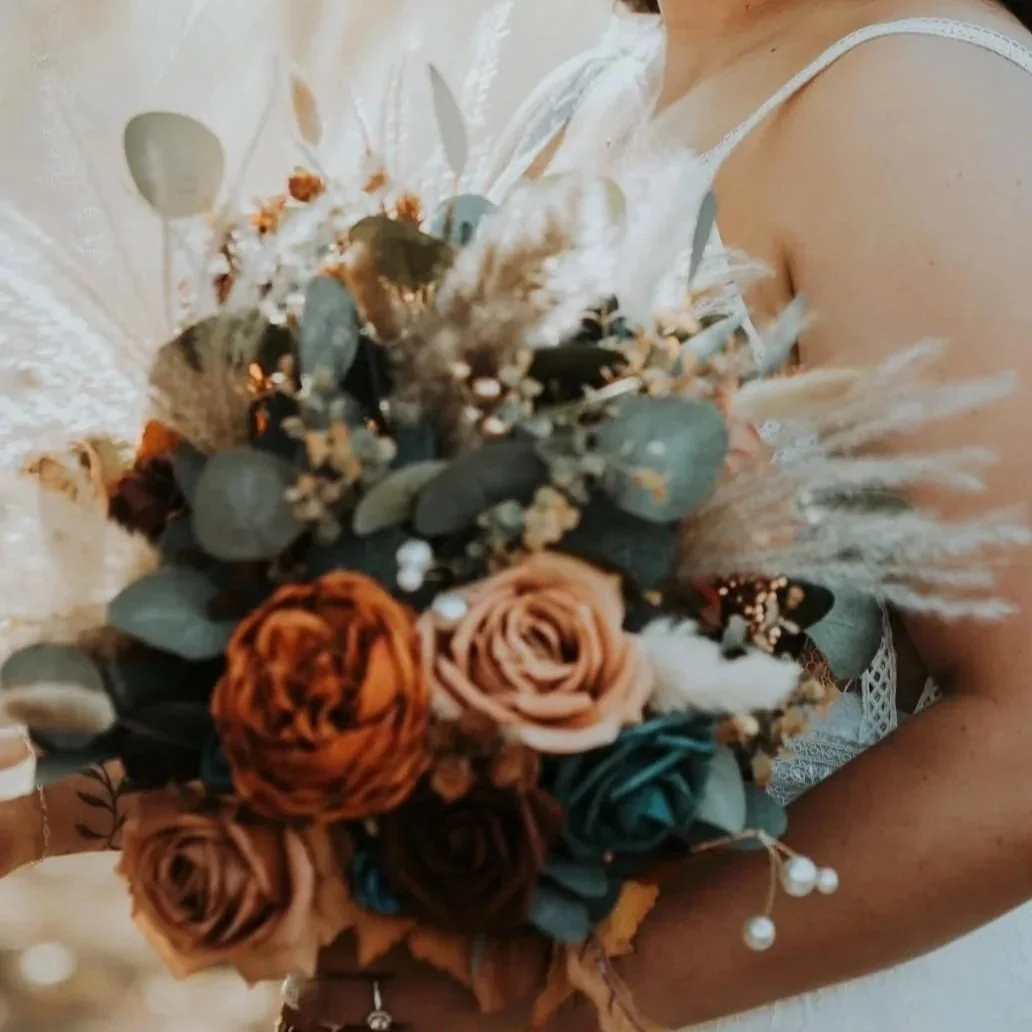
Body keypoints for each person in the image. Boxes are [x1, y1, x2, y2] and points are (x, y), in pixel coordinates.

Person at [6, 1, 1032, 1030]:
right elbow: (418, 605)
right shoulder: (600, 88)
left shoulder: (916, 97)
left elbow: (1019, 743)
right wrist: (98, 778)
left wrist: (564, 1003)